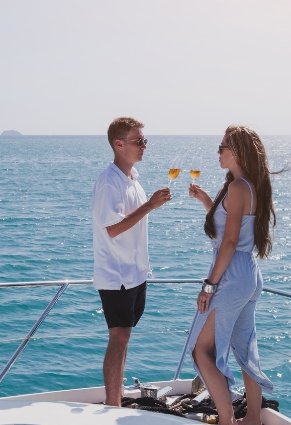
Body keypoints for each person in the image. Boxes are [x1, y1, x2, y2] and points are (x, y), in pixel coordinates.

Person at [187, 125, 277, 425]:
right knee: (244, 350)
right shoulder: (249, 186)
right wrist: (206, 201)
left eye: (223, 146)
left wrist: (209, 286)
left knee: (201, 351)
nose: (218, 151)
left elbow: (228, 242)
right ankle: (252, 419)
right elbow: (234, 231)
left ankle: (225, 420)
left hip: (231, 276)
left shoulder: (238, 187)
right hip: (248, 274)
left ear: (237, 152)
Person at [92, 117, 172, 407]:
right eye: (139, 141)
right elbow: (112, 228)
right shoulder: (108, 182)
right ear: (119, 144)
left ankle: (118, 396)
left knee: (124, 336)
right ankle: (112, 404)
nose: (144, 145)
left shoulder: (132, 180)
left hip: (136, 272)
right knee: (119, 336)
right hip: (116, 274)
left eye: (144, 140)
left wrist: (149, 203)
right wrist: (150, 205)